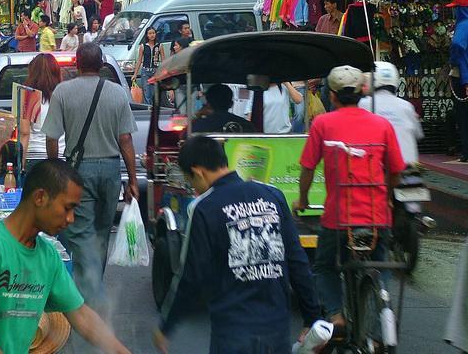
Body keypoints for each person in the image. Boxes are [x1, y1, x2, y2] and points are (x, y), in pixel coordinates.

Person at [0, 159, 131, 354]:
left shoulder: (48, 257)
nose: (71, 219)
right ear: (40, 198)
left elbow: (80, 314)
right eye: (67, 208)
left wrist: (120, 351)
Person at [154, 136, 319, 354]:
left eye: (191, 180)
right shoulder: (273, 196)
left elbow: (191, 277)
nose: (194, 188)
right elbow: (297, 262)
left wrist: (166, 326)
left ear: (198, 171)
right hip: (276, 332)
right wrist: (312, 319)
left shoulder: (204, 208)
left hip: (232, 334)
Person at [294, 65, 406, 331]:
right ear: (362, 91)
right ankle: (380, 328)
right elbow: (396, 171)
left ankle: (335, 315)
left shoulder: (323, 123)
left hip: (338, 218)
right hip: (378, 216)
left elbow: (307, 169)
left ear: (332, 95)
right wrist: (387, 197)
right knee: (380, 268)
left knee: (324, 266)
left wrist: (303, 200)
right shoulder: (382, 125)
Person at [42, 42, 139, 316]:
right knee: (100, 232)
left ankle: (90, 295)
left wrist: (55, 168)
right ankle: (93, 290)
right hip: (110, 171)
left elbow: (52, 137)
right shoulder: (118, 93)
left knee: (81, 231)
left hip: (78, 171)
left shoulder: (63, 91)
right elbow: (126, 140)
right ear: (102, 65)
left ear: (77, 63)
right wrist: (132, 179)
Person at [359, 61, 423, 166]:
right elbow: (418, 134)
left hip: (379, 170)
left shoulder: (364, 104)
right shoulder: (406, 106)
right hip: (410, 171)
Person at [19, 54, 65, 172]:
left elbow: (25, 133)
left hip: (34, 156)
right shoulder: (64, 95)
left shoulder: (29, 96)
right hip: (62, 156)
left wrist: (21, 164)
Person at [192, 84, 256, 133]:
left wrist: (197, 115)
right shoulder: (247, 126)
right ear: (231, 104)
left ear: (208, 104)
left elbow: (184, 138)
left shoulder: (199, 125)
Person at [449, 0, 468, 162]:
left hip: (462, 77)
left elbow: (457, 45)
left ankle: (466, 151)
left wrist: (453, 59)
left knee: (463, 116)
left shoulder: (463, 25)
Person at [131, 26, 162, 106]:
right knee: (146, 93)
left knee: (154, 93)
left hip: (156, 71)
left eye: (153, 33)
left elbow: (163, 60)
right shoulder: (143, 46)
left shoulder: (159, 46)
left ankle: (154, 110)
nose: (152, 35)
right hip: (145, 72)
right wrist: (135, 74)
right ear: (147, 35)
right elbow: (139, 60)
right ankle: (148, 111)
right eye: (150, 33)